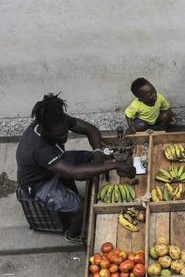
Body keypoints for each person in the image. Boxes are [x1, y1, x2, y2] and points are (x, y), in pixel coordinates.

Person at [16, 93, 135, 244]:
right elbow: (76, 174)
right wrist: (115, 165)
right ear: (46, 132)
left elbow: (90, 129)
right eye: (60, 134)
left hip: (55, 163)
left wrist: (97, 152)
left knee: (94, 159)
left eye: (66, 130)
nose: (65, 136)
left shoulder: (57, 121)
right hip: (39, 183)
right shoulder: (38, 148)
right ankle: (72, 234)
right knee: (81, 207)